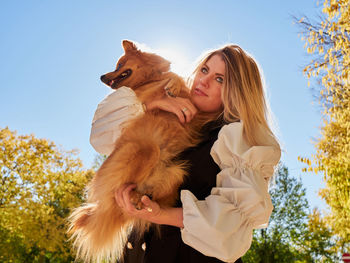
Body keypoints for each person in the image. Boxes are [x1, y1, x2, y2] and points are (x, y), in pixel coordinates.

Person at [89, 44, 281, 263]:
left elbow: (231, 222)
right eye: (205, 70)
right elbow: (100, 136)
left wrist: (159, 214)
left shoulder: (237, 139)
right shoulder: (169, 110)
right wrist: (151, 104)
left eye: (220, 79)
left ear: (237, 91)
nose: (204, 81)